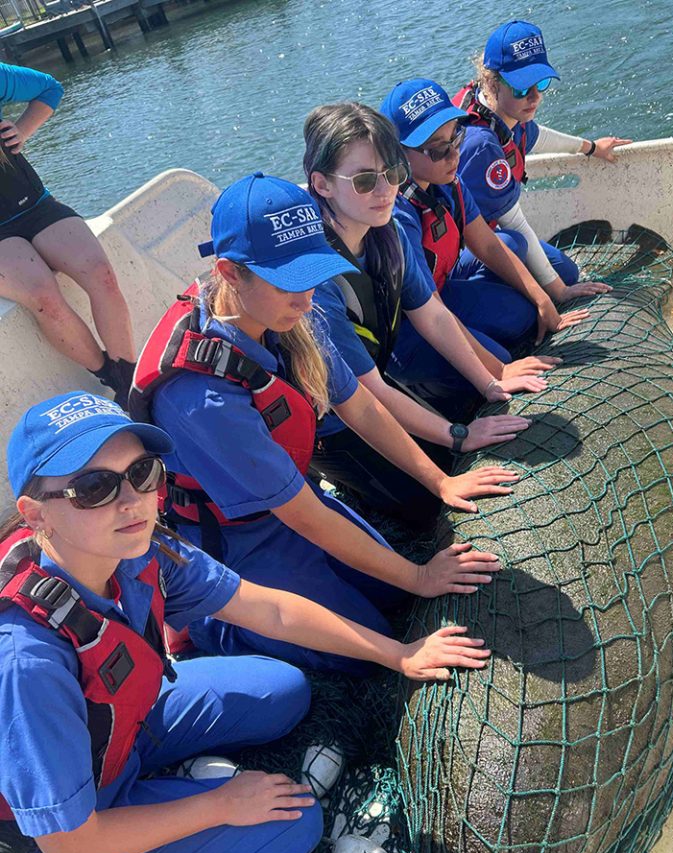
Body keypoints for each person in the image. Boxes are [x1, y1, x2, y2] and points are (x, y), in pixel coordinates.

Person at [0, 391, 491, 853]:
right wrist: (220, 804)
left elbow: (268, 610)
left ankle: (155, 782)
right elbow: (73, 842)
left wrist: (398, 653)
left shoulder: (137, 547)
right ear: (36, 515)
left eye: (143, 472)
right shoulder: (26, 660)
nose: (131, 501)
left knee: (283, 689)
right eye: (93, 487)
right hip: (62, 829)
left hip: (123, 724)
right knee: (292, 829)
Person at [130, 173, 516, 670]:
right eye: (287, 281)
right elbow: (305, 515)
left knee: (394, 598)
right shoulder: (201, 396)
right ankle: (204, 624)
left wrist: (441, 480)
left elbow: (358, 405)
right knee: (368, 645)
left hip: (287, 499)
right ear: (229, 273)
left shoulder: (284, 314)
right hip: (230, 538)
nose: (306, 297)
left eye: (312, 275)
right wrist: (419, 578)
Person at [303, 101, 558, 511]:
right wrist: (458, 441)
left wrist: (491, 382)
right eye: (365, 180)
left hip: (373, 379)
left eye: (393, 173)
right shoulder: (315, 281)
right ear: (322, 184)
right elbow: (364, 398)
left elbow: (434, 316)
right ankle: (336, 481)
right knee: (426, 502)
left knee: (463, 428)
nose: (386, 191)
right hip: (327, 419)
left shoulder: (385, 233)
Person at [380, 77, 590, 359]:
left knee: (523, 308)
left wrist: (542, 299)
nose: (454, 155)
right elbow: (429, 313)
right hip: (410, 325)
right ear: (398, 155)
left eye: (456, 137)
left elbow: (488, 244)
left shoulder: (448, 183)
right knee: (500, 356)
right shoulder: (398, 216)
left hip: (442, 286)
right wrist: (497, 372)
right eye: (438, 149)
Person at [454, 20, 631, 298]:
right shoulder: (481, 145)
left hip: (491, 234)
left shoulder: (505, 109)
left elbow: (535, 136)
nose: (535, 97)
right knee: (525, 306)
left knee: (567, 272)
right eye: (523, 88)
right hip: (460, 255)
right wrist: (558, 292)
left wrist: (592, 147)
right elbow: (514, 222)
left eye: (541, 83)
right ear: (491, 82)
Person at [0, 62, 135, 406]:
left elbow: (49, 88)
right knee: (44, 296)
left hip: (34, 204)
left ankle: (131, 378)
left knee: (101, 275)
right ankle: (112, 377)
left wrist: (22, 130)